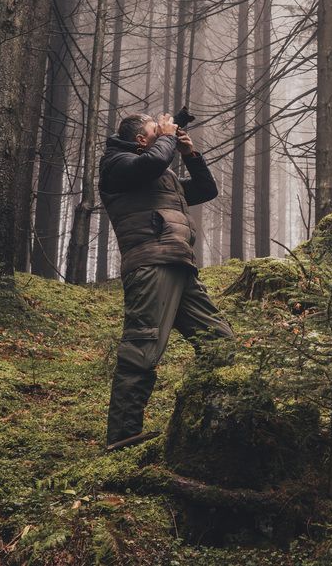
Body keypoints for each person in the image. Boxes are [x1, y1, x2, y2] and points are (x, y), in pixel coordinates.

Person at [99, 112, 233, 452]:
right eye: (154, 130)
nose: (163, 132)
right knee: (142, 350)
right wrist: (169, 138)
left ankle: (215, 420)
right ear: (141, 140)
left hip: (178, 264)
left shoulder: (160, 171)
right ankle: (123, 438)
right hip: (150, 264)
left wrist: (189, 153)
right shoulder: (116, 164)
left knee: (219, 341)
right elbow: (151, 163)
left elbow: (205, 189)